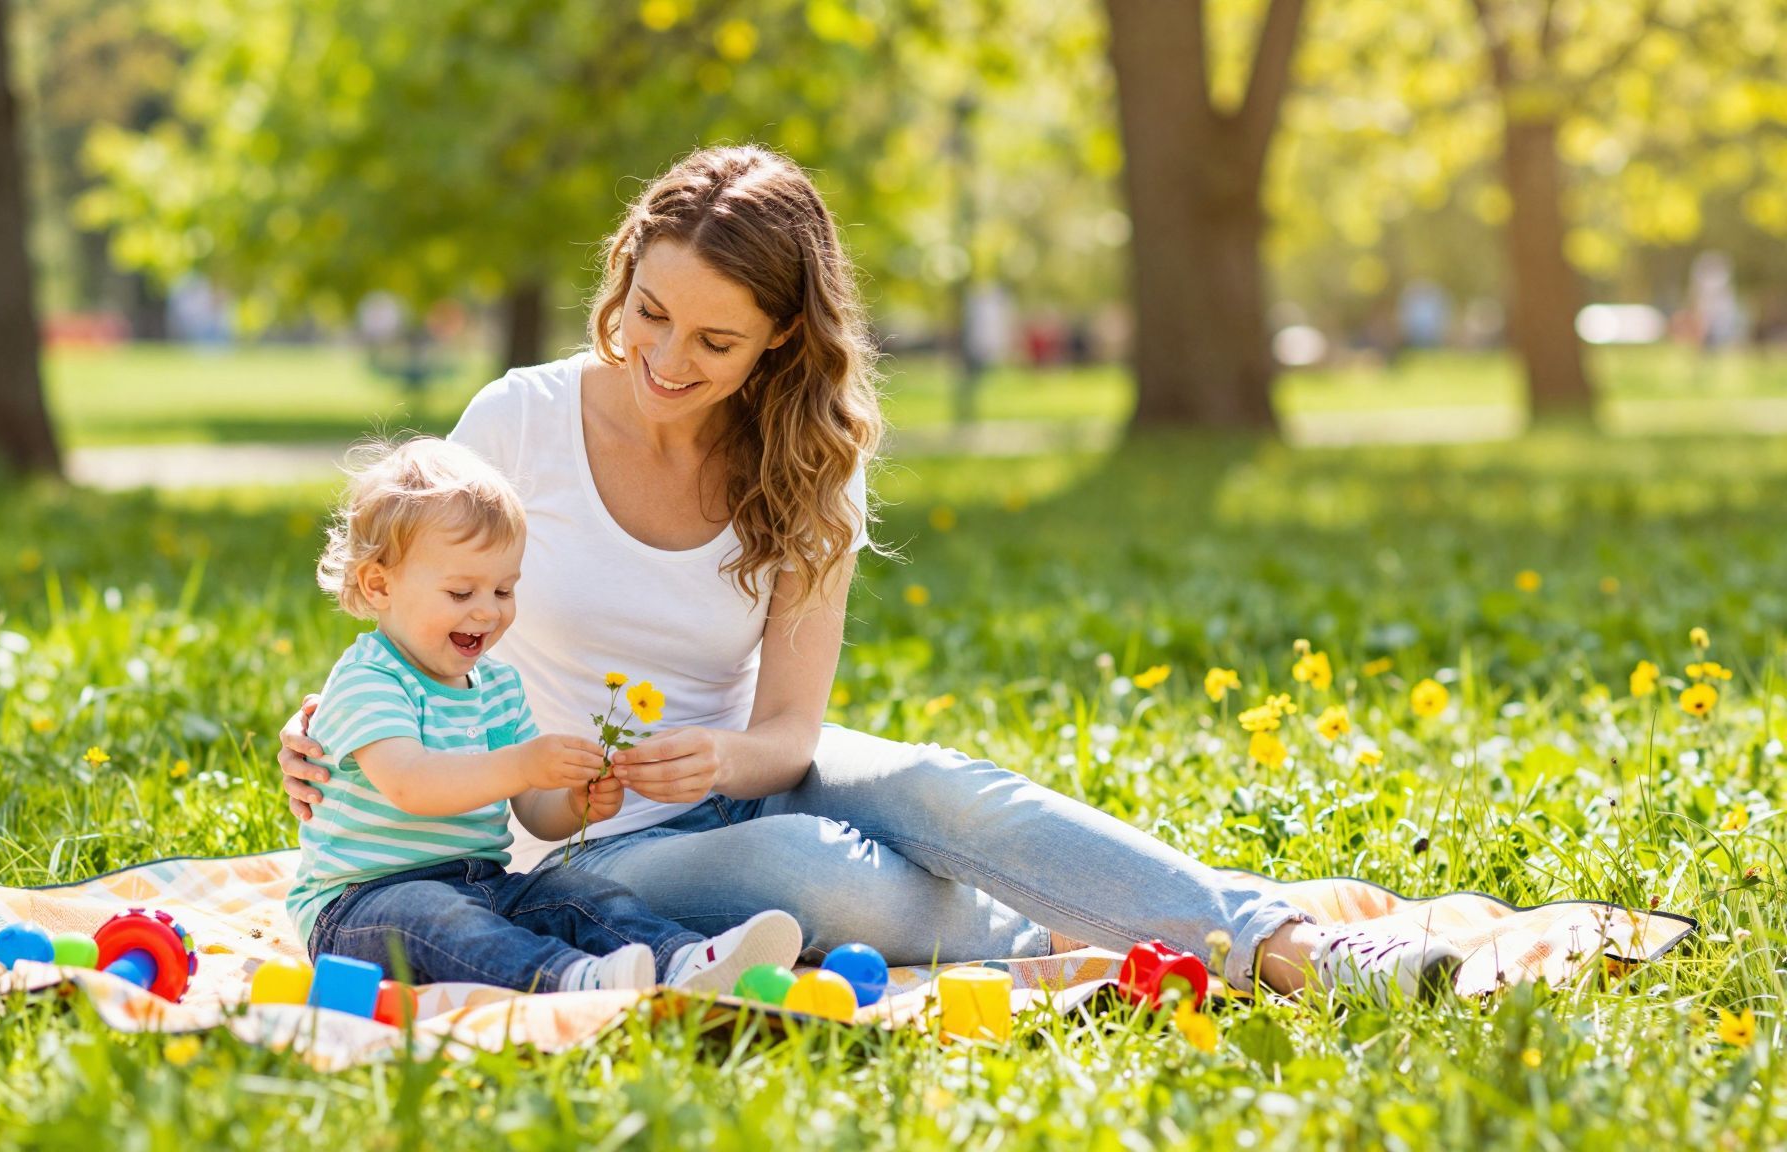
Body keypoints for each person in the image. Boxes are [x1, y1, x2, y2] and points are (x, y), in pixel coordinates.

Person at [282, 146, 1461, 1004]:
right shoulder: (518, 420)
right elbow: (411, 593)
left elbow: (790, 731)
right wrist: (331, 725)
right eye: (648, 313)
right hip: (583, 841)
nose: (663, 360)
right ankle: (1120, 913)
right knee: (815, 875)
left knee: (942, 792)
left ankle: (1286, 942)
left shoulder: (808, 461)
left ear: (782, 338)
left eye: (714, 340)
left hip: (748, 769)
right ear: (624, 273)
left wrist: (720, 758)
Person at [291, 435, 801, 993]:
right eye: (461, 593)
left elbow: (532, 811)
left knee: (577, 893)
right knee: (442, 921)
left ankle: (684, 961)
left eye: (504, 590)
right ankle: (573, 981)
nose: (487, 611)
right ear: (379, 585)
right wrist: (524, 764)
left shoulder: (499, 686)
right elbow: (413, 785)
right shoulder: (370, 678)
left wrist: (573, 804)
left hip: (483, 883)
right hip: (365, 903)